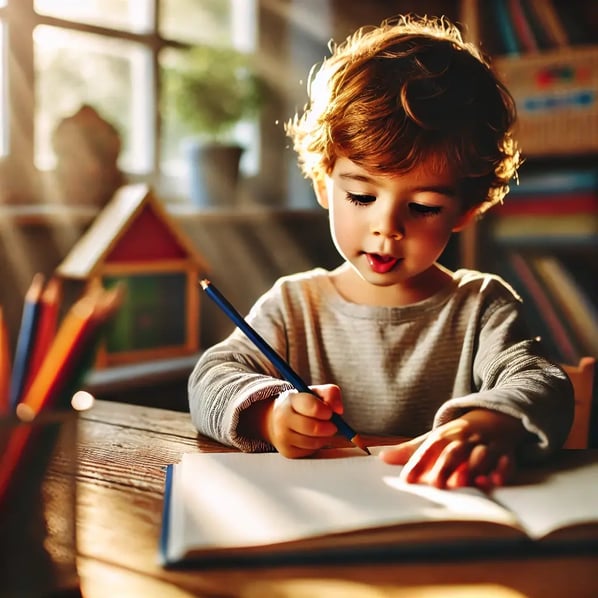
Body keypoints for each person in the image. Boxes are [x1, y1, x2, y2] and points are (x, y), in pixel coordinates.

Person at [188, 14, 574, 490]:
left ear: (466, 211)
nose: (386, 228)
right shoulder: (294, 307)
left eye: (423, 206)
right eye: (362, 197)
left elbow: (543, 384)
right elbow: (209, 379)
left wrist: (489, 424)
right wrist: (270, 413)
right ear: (323, 183)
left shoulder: (481, 306)